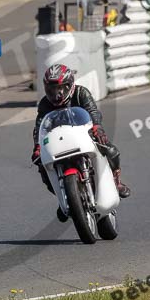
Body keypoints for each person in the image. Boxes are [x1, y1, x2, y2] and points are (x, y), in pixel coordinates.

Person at [31, 64, 131, 220]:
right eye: (51, 90)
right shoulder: (45, 103)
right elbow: (39, 125)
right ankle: (63, 196)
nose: (57, 94)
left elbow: (92, 111)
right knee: (43, 167)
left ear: (70, 85)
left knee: (110, 150)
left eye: (61, 88)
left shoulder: (81, 93)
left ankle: (116, 182)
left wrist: (97, 127)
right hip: (59, 140)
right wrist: (37, 146)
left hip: (83, 132)